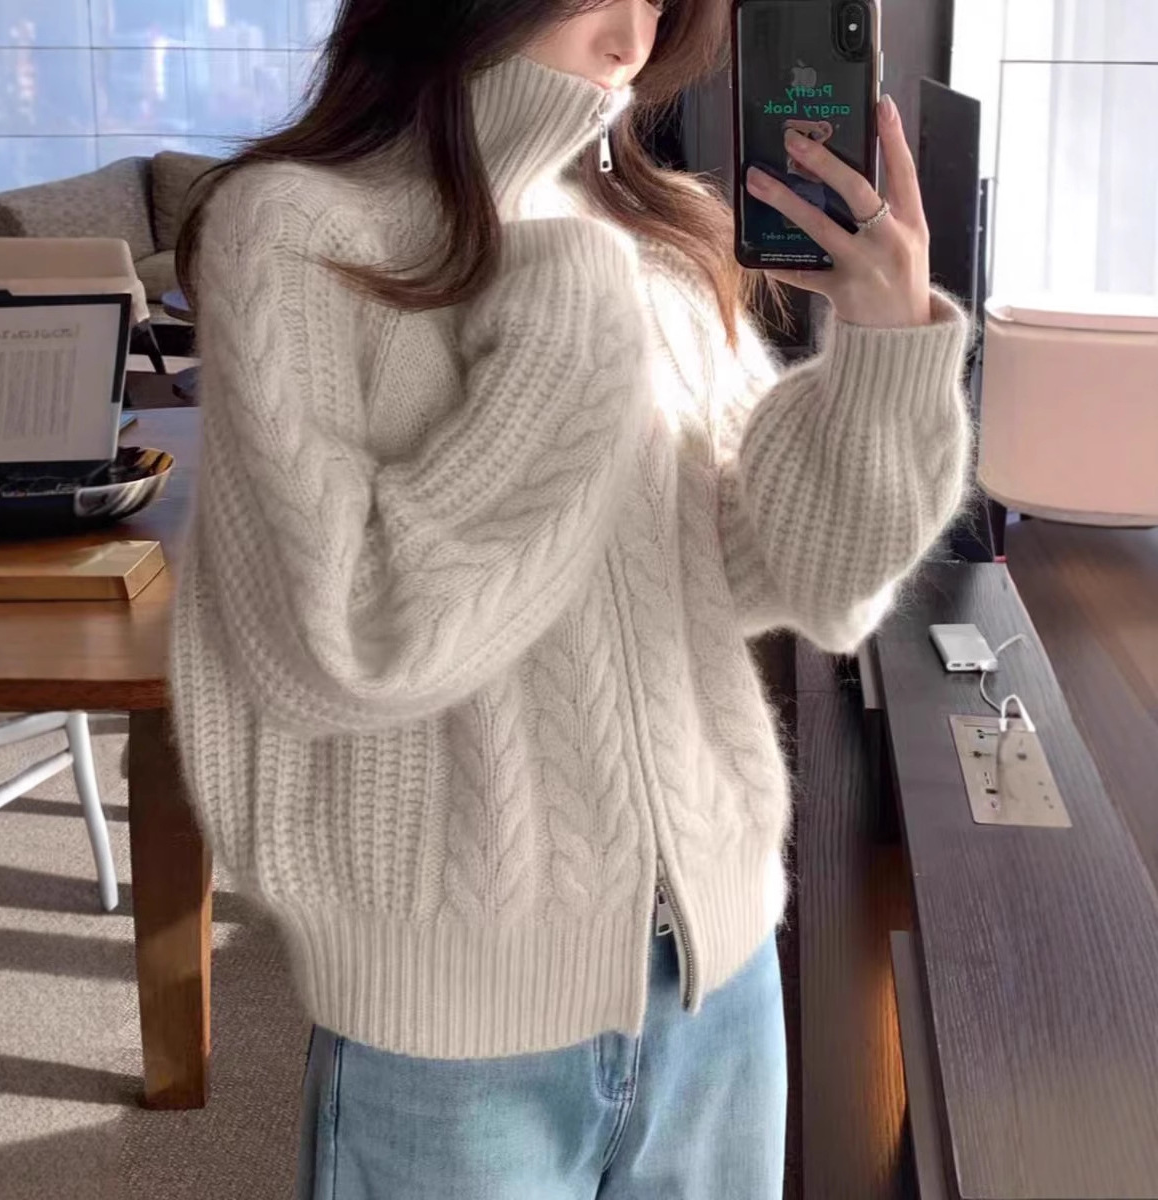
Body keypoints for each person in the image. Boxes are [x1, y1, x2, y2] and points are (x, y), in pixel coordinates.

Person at [171, 1, 970, 1197]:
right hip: (453, 1036)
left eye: (656, 0)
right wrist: (568, 320)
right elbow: (339, 645)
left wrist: (883, 347)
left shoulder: (662, 235)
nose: (633, 39)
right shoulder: (295, 229)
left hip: (720, 988)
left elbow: (801, 574)